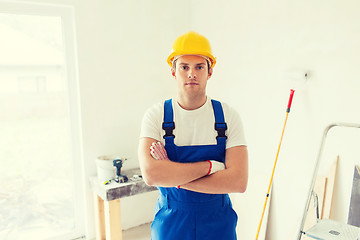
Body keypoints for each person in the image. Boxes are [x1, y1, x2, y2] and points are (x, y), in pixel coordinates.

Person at [138, 31, 248, 240]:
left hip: (218, 221)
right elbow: (152, 175)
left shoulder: (227, 117)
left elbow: (238, 182)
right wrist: (212, 166)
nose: (192, 73)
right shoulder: (156, 116)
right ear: (173, 71)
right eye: (184, 67)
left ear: (210, 72)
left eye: (199, 67)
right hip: (171, 222)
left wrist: (174, 177)